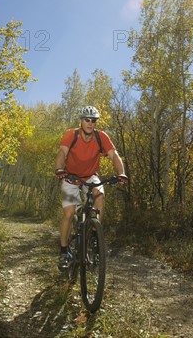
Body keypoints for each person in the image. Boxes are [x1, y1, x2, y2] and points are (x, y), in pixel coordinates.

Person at [54, 105, 128, 271]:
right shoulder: (71, 135)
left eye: (93, 120)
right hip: (70, 177)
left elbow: (114, 155)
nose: (90, 123)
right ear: (81, 121)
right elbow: (62, 154)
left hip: (90, 176)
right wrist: (59, 169)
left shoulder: (101, 137)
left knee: (100, 196)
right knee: (69, 213)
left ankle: (95, 235)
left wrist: (121, 173)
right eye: (87, 120)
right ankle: (64, 251)